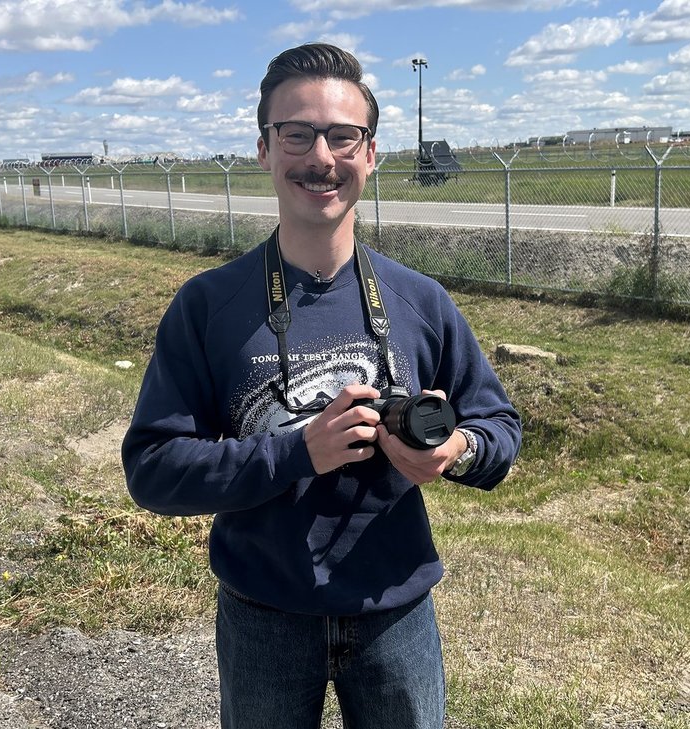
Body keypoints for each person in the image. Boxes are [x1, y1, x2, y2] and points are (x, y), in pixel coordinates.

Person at [122, 42, 521, 729]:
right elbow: (153, 469)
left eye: (343, 136)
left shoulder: (421, 300)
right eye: (297, 134)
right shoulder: (209, 305)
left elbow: (501, 431)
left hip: (396, 609)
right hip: (262, 615)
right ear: (264, 149)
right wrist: (298, 449)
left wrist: (451, 449)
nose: (321, 157)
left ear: (371, 154)